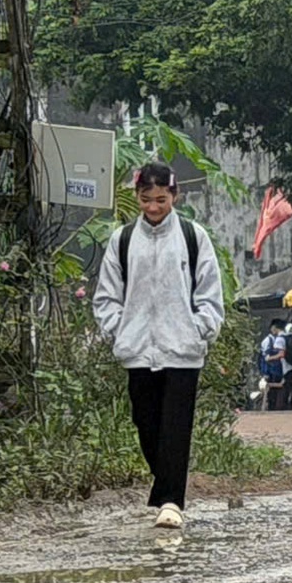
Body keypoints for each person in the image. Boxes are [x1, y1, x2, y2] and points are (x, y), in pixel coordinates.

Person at [91, 163, 226, 529]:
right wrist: (119, 331)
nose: (153, 207)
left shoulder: (192, 236)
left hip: (183, 350)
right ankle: (164, 485)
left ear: (175, 196)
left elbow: (209, 292)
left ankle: (171, 501)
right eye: (147, 199)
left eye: (161, 199)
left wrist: (200, 330)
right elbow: (107, 296)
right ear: (137, 197)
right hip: (137, 350)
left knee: (175, 426)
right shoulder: (121, 240)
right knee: (146, 424)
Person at [257, 322, 291, 409]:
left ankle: (278, 407)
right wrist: (265, 372)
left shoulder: (279, 338)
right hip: (271, 371)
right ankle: (272, 408)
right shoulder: (268, 340)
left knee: (279, 391)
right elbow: (265, 357)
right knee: (272, 392)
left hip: (279, 370)